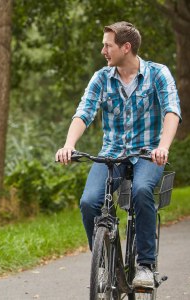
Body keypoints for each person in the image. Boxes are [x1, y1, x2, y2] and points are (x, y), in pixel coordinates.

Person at [55, 21, 181, 288]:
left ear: (126, 47)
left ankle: (145, 265)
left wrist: (163, 147)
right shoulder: (102, 78)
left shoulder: (158, 74)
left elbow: (172, 110)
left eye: (107, 45)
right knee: (89, 202)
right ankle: (106, 265)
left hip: (148, 154)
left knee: (141, 191)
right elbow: (84, 112)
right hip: (111, 154)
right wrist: (68, 144)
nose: (103, 50)